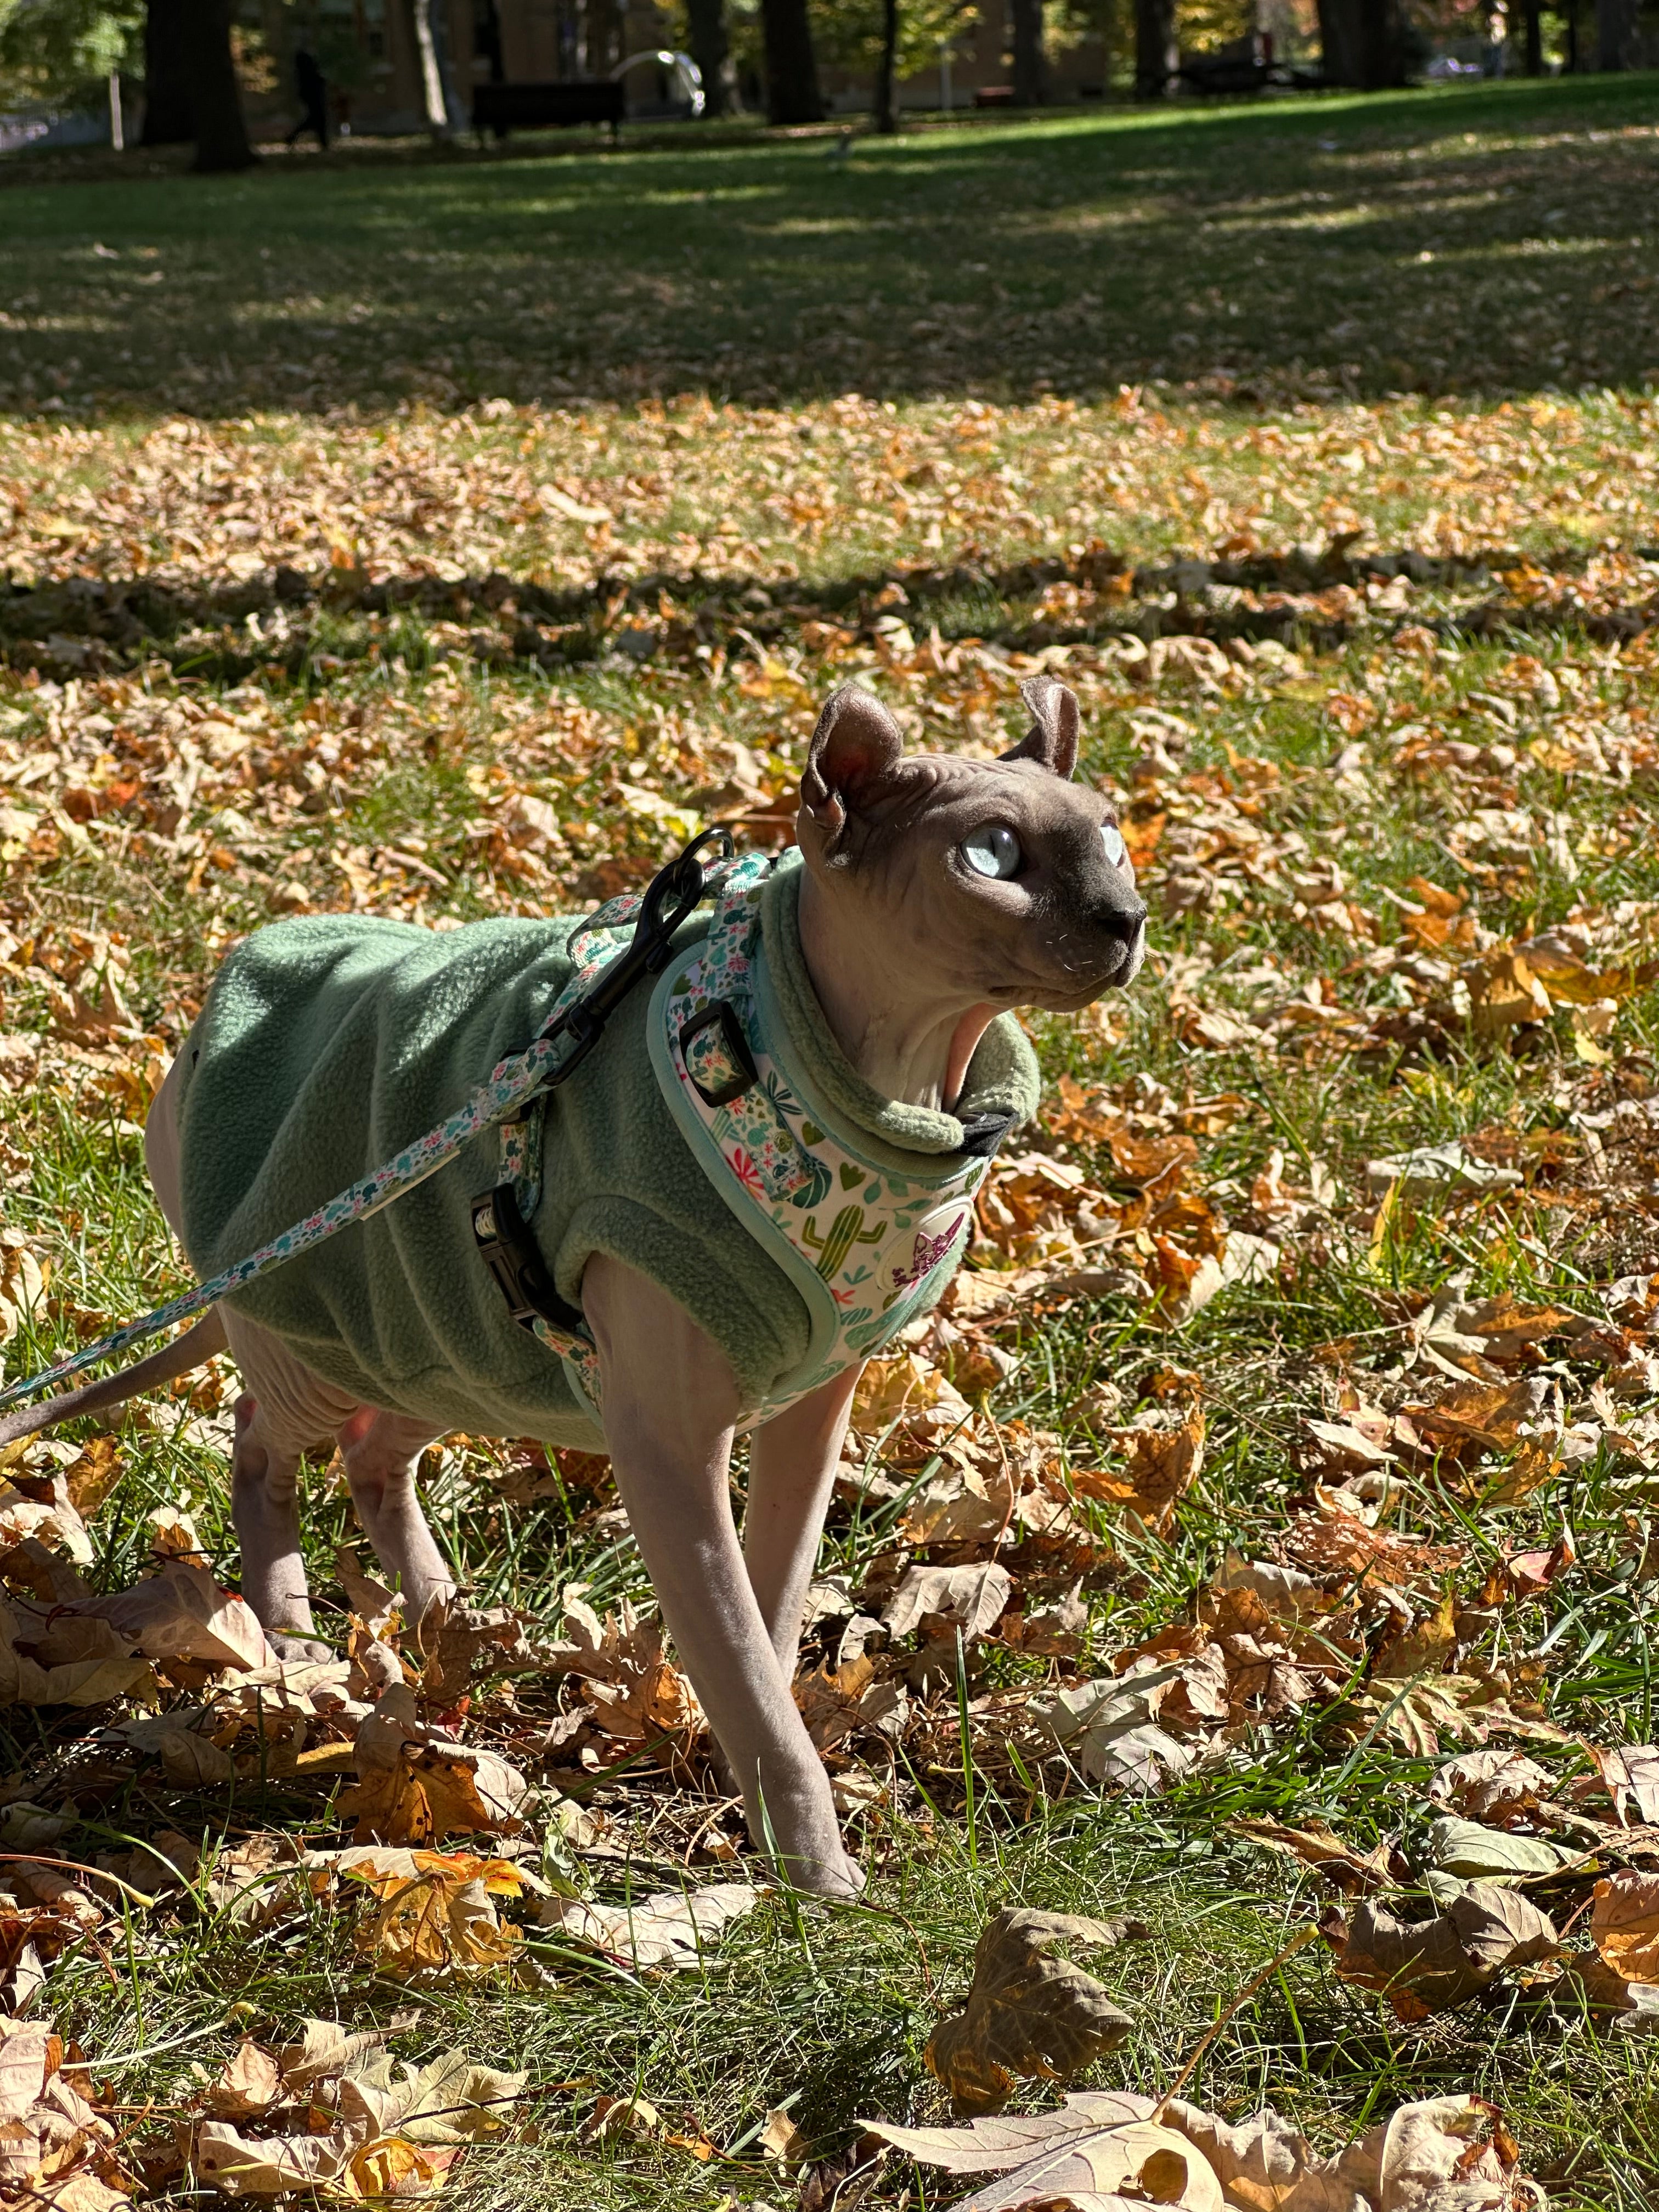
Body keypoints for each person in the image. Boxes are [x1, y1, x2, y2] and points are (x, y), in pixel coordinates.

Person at [285, 41, 330, 150]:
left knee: (316, 119)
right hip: (312, 93)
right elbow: (313, 76)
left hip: (311, 93)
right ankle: (323, 143)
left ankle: (323, 143)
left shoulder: (303, 62)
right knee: (317, 118)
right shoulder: (304, 61)